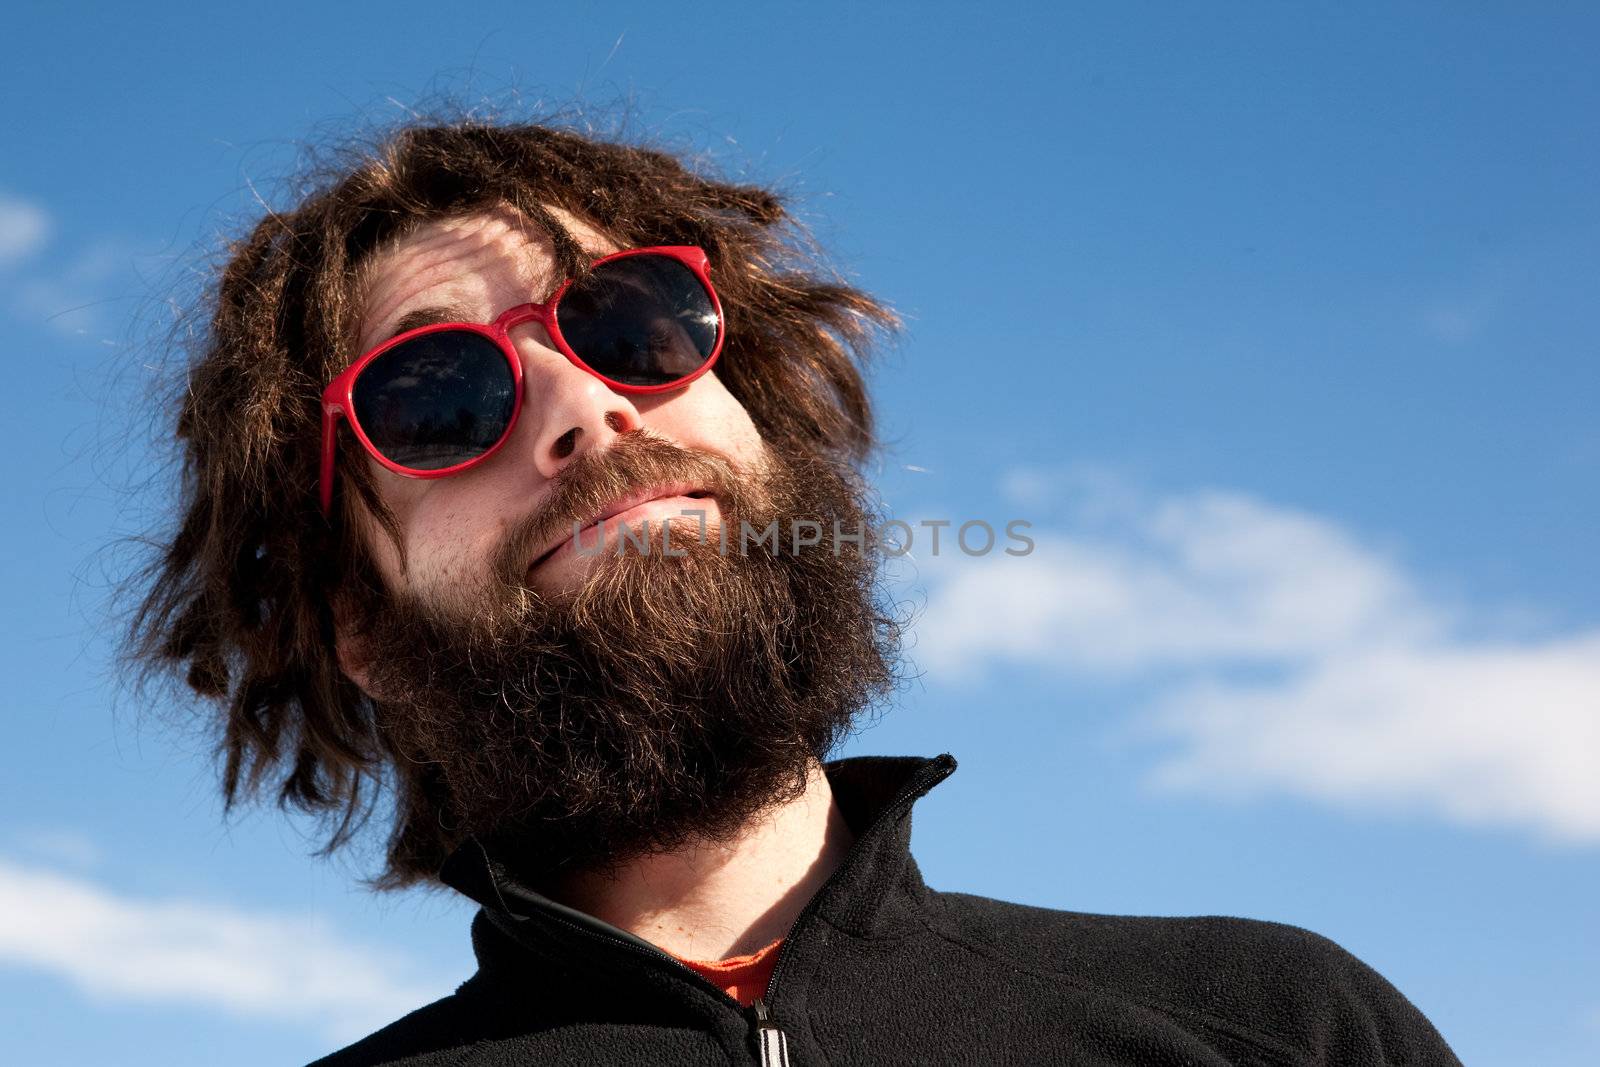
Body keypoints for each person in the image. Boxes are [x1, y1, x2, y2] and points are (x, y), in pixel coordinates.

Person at [126, 118, 1462, 1066]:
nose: (587, 405)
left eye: (633, 321)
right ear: (365, 627)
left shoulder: (1285, 1026)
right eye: (439, 399)